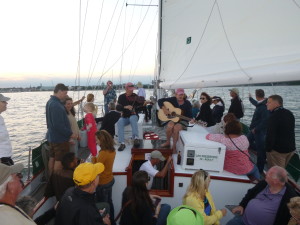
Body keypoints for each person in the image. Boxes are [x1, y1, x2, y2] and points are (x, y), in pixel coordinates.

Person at [226, 166, 298, 225]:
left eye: (269, 174)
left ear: (276, 181)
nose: (265, 174)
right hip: (243, 219)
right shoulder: (264, 183)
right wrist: (242, 205)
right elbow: (250, 193)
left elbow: (289, 218)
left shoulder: (289, 196)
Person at [46, 83, 75, 174]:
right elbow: (58, 125)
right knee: (60, 160)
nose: (66, 95)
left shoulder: (50, 102)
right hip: (59, 139)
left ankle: (52, 179)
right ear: (60, 91)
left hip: (52, 137)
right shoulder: (56, 105)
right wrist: (70, 134)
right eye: (65, 93)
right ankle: (56, 181)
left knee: (52, 158)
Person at [92, 130, 116, 225]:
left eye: (97, 140)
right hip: (109, 179)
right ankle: (112, 221)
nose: (96, 142)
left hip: (103, 183)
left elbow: (97, 168)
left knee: (103, 206)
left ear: (102, 140)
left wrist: (93, 158)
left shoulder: (103, 153)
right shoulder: (112, 150)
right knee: (109, 203)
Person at [158, 88, 192, 152]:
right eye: (178, 94)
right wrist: (164, 109)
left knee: (176, 128)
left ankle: (174, 147)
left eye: (182, 94)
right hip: (174, 119)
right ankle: (168, 142)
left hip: (183, 120)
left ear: (184, 95)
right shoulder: (172, 99)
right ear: (175, 95)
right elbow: (160, 100)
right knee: (170, 126)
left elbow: (190, 116)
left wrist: (191, 119)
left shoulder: (187, 103)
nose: (180, 96)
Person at [265, 94, 296, 168]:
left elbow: (270, 135)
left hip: (278, 151)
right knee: (282, 170)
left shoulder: (274, 116)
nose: (266, 104)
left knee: (277, 175)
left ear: (276, 103)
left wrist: (268, 150)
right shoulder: (289, 113)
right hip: (290, 149)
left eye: (269, 102)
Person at [116, 82, 145, 151]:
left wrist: (141, 105)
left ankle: (136, 138)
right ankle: (122, 143)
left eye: (132, 89)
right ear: (126, 89)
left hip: (134, 115)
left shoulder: (135, 96)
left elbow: (141, 105)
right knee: (119, 121)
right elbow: (118, 107)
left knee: (132, 118)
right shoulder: (121, 97)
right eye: (130, 89)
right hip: (125, 116)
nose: (132, 90)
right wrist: (125, 107)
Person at [247, 89, 269, 173]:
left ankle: (259, 170)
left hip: (259, 131)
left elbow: (265, 121)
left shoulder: (263, 106)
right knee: (246, 141)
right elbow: (256, 103)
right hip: (254, 130)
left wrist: (256, 129)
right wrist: (250, 98)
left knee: (261, 151)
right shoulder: (261, 103)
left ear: (256, 95)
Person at [0, 93, 14, 165]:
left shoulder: (1, 118)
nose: (6, 103)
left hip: (6, 157)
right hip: (2, 160)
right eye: (3, 101)